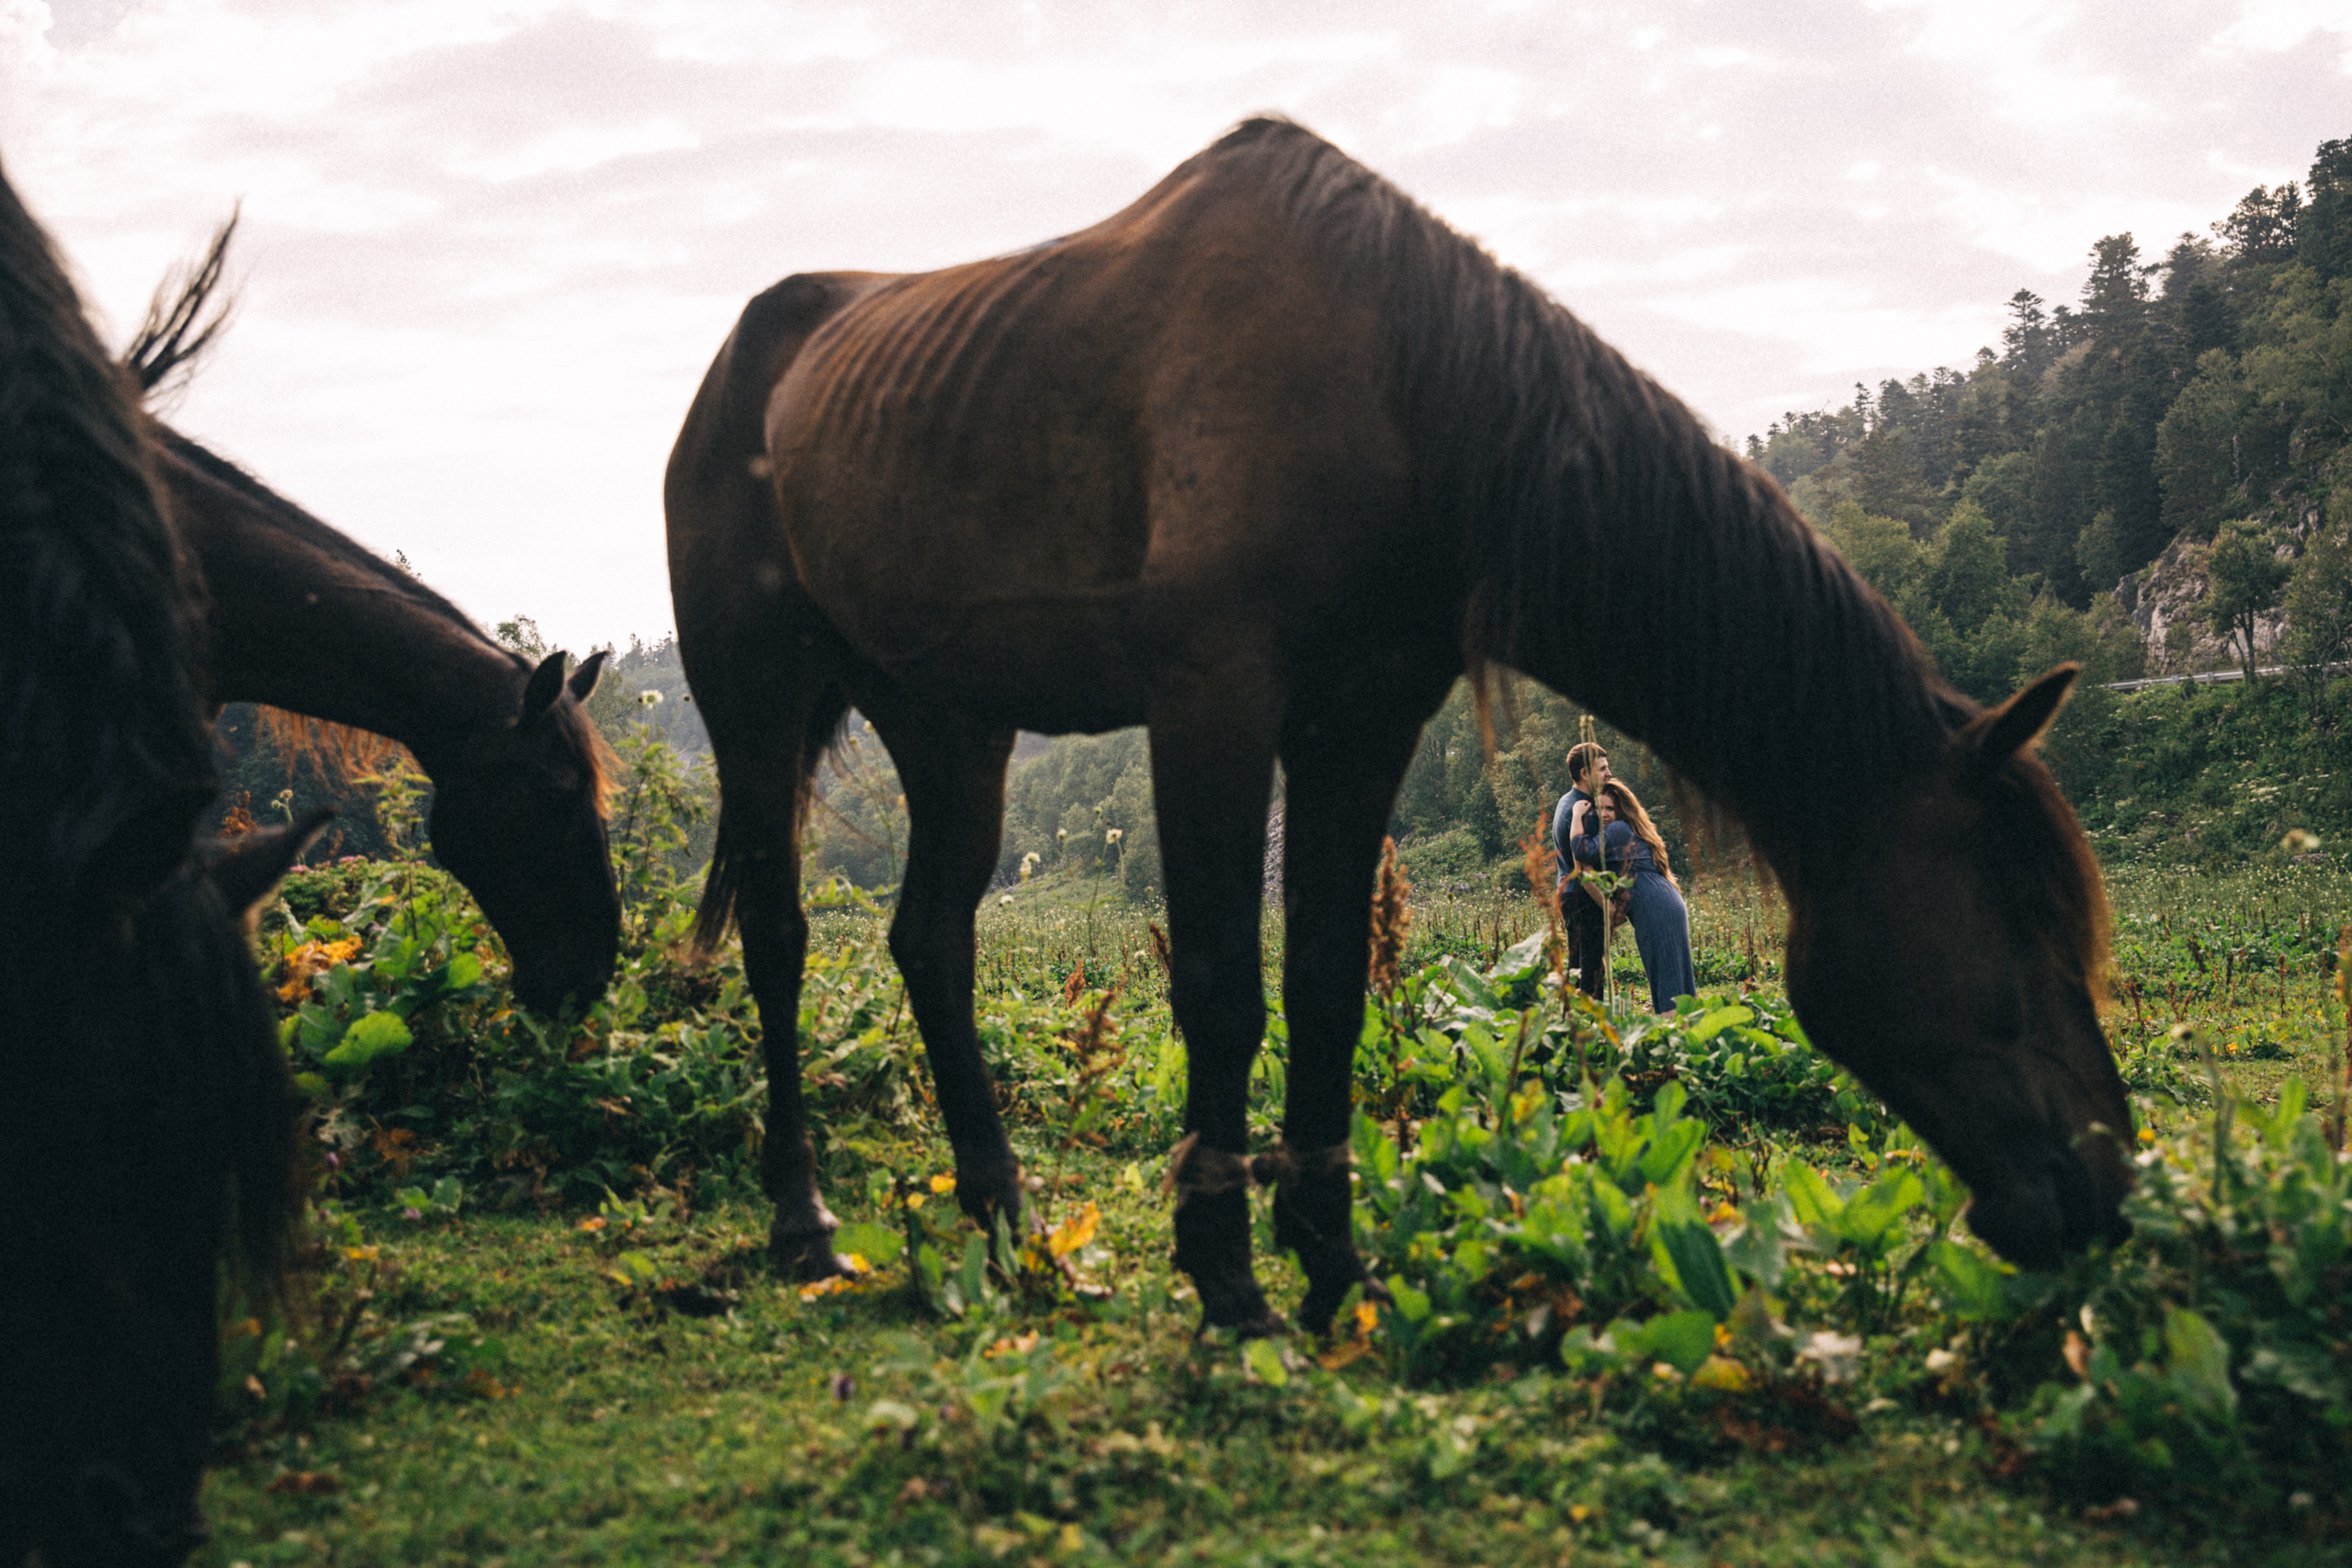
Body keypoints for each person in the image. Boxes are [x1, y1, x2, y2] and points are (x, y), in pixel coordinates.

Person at [1570, 780, 1697, 1014]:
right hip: (1666, 901)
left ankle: (1675, 1034)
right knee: (1675, 976)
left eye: (1610, 808)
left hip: (1655, 906)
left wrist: (1577, 814)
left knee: (1664, 975)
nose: (1604, 814)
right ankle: (1687, 1034)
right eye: (1600, 808)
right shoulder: (1632, 829)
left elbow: (1581, 850)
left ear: (1621, 810)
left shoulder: (1618, 829)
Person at [1551, 741, 1613, 998]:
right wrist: (1607, 904)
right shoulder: (1584, 812)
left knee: (1579, 969)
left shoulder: (1570, 801)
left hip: (1571, 894)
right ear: (1584, 774)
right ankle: (1591, 1028)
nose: (1609, 773)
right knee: (1591, 974)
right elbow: (1585, 868)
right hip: (1584, 897)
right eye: (1602, 768)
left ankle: (1576, 1025)